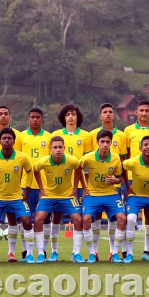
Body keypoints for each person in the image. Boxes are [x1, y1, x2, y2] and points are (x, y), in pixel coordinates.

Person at [0, 128, 34, 262]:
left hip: (17, 197)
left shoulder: (22, 157)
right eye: (4, 138)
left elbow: (30, 172)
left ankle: (26, 254)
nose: (6, 140)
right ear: (0, 141)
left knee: (26, 221)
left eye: (9, 138)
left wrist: (27, 191)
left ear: (14, 141)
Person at [123, 100, 149, 261]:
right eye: (141, 110)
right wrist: (126, 184)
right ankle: (127, 251)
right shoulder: (128, 131)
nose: (144, 113)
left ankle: (147, 251)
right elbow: (125, 156)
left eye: (147, 110)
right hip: (133, 179)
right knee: (130, 215)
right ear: (136, 112)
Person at [32, 136, 83, 263]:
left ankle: (76, 253)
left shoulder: (72, 160)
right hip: (49, 196)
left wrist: (76, 187)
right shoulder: (43, 161)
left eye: (60, 147)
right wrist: (41, 188)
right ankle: (41, 253)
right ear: (50, 149)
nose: (58, 150)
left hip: (67, 196)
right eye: (55, 147)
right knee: (38, 219)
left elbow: (78, 169)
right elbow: (35, 170)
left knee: (78, 219)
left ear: (64, 148)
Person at [78, 130, 127, 263]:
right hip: (93, 194)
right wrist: (83, 187)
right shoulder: (88, 157)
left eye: (108, 142)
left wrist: (116, 181)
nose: (105, 145)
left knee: (122, 218)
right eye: (102, 142)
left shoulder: (116, 158)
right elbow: (77, 168)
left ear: (111, 143)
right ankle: (93, 253)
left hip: (111, 194)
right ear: (97, 143)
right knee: (87, 219)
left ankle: (114, 253)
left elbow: (119, 177)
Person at [51, 104, 91, 259]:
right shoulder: (56, 134)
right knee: (57, 215)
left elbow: (87, 164)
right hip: (61, 184)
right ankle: (54, 251)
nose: (70, 117)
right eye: (67, 114)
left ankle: (77, 252)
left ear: (77, 116)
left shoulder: (86, 136)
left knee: (79, 217)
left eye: (73, 114)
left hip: (80, 184)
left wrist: (86, 185)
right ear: (64, 117)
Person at [88, 103, 128, 255]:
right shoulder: (92, 134)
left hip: (114, 186)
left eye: (110, 112)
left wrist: (119, 180)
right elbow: (88, 160)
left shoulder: (122, 135)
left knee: (115, 218)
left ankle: (114, 251)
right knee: (96, 217)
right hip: (95, 186)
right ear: (100, 116)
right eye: (104, 112)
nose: (108, 114)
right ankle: (95, 251)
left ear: (114, 115)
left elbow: (123, 161)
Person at [0, 106, 22, 261]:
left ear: (10, 117)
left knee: (13, 218)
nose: (3, 116)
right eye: (0, 114)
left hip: (14, 187)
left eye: (5, 114)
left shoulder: (17, 135)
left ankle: (12, 252)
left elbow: (21, 161)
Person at [15, 108, 50, 254]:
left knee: (45, 219)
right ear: (28, 119)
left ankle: (44, 250)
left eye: (38, 117)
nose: (35, 120)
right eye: (32, 117)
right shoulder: (21, 137)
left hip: (44, 185)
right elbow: (16, 160)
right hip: (25, 184)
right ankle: (25, 250)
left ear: (42, 119)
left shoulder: (49, 137)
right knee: (25, 218)